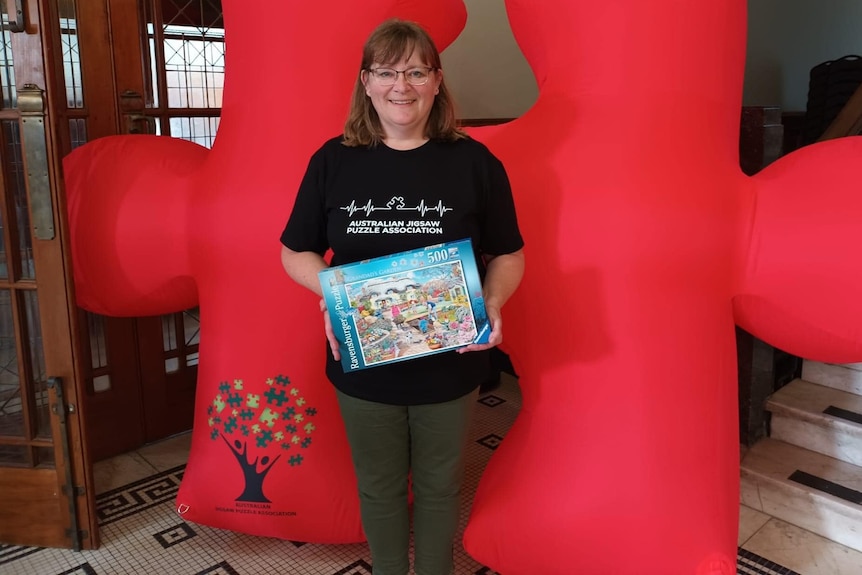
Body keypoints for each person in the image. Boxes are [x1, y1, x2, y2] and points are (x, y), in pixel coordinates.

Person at [279, 19, 524, 575]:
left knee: (440, 487)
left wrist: (491, 301)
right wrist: (334, 289)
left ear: (437, 82)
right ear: (366, 82)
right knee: (380, 485)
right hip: (363, 358)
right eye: (387, 71)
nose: (401, 85)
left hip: (451, 358)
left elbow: (509, 253)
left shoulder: (475, 163)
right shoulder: (333, 161)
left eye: (416, 71)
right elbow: (295, 252)